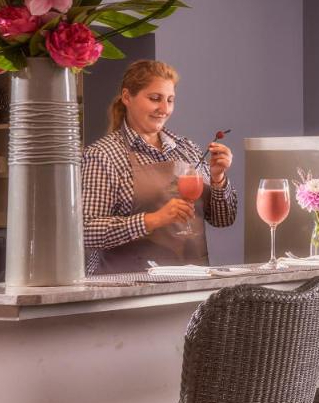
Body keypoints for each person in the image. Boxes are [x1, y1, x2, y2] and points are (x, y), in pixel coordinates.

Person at [81, 60, 237, 274]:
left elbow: (223, 219)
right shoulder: (103, 155)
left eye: (170, 100)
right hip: (128, 286)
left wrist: (218, 178)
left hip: (192, 283)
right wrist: (153, 219)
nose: (164, 109)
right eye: (155, 99)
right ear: (127, 97)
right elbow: (85, 231)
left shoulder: (187, 149)